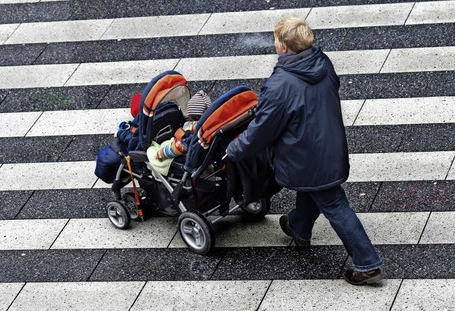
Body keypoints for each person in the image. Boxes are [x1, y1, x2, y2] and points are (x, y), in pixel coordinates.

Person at [225, 16, 383, 285]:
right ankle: (299, 226)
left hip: (306, 156)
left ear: (284, 47)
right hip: (329, 145)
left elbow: (262, 130)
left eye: (276, 38)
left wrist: (235, 149)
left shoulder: (280, 85)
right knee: (315, 189)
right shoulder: (322, 62)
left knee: (333, 203)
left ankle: (367, 263)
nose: (274, 42)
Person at [156, 90, 212, 161]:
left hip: (189, 159)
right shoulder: (210, 126)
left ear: (190, 113)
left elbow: (177, 148)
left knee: (151, 150)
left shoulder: (190, 128)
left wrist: (160, 154)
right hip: (206, 157)